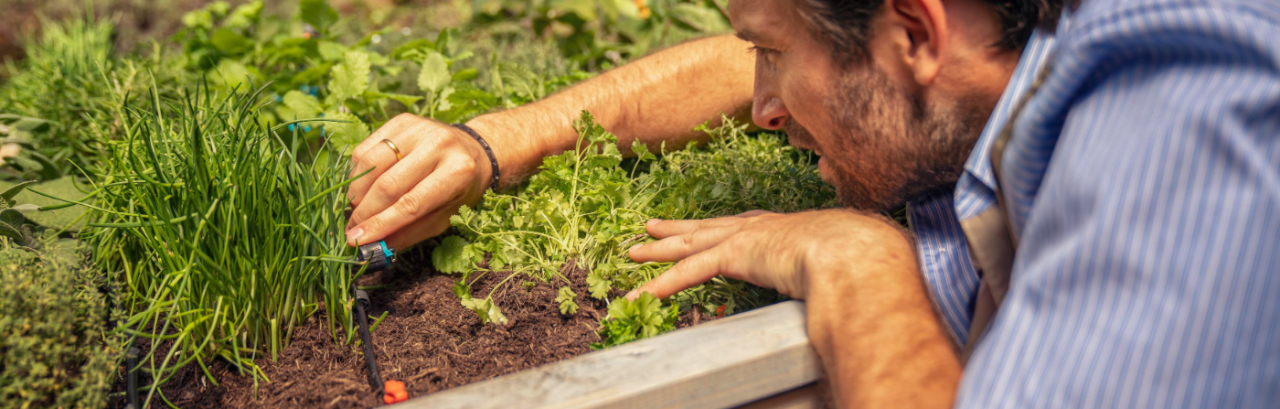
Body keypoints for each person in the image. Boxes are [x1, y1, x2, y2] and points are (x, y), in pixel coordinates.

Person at [343, 0, 1280, 407]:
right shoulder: (979, 64)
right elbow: (740, 58)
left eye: (776, 60)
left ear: (912, 31)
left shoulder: (1171, 142)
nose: (760, 106)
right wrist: (497, 138)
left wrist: (859, 264)